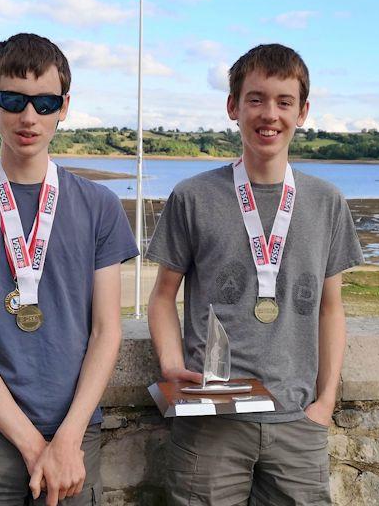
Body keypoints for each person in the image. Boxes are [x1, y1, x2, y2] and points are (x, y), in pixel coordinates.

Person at [0, 33, 138, 506]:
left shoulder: (99, 206)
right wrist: (35, 446)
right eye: (13, 99)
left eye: (44, 102)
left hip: (75, 430)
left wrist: (67, 438)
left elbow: (107, 332)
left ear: (64, 107)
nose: (28, 116)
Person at [146, 43, 363, 504]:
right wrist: (169, 365)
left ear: (302, 112)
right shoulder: (192, 196)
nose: (270, 114)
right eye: (256, 99)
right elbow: (163, 296)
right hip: (210, 423)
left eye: (284, 102)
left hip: (297, 423)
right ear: (233, 107)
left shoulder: (327, 202)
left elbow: (331, 307)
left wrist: (324, 404)